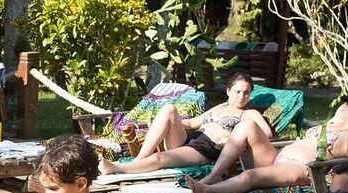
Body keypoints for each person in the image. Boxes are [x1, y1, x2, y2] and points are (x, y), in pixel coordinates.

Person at [187, 90, 348, 193]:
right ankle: (213, 176)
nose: (343, 106)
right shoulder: (331, 124)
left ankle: (207, 191)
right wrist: (338, 119)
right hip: (276, 159)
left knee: (249, 175)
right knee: (247, 125)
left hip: (300, 169)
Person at [100, 73, 269, 176]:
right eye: (238, 91)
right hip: (190, 140)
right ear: (228, 91)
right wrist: (159, 123)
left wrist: (234, 139)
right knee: (168, 109)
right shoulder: (218, 108)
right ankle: (140, 158)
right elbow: (191, 123)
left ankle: (117, 167)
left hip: (206, 149)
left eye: (246, 93)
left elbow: (266, 134)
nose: (242, 96)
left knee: (161, 158)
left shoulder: (249, 113)